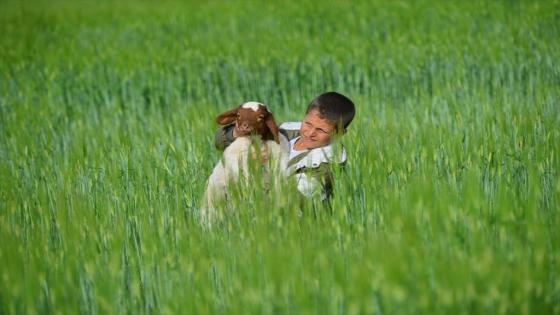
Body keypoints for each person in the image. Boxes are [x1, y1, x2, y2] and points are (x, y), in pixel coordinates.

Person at [214, 91, 355, 202]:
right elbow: (220, 142)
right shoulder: (286, 132)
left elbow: (295, 199)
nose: (310, 133)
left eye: (321, 130)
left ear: (340, 133)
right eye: (308, 124)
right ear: (304, 117)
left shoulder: (327, 165)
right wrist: (238, 131)